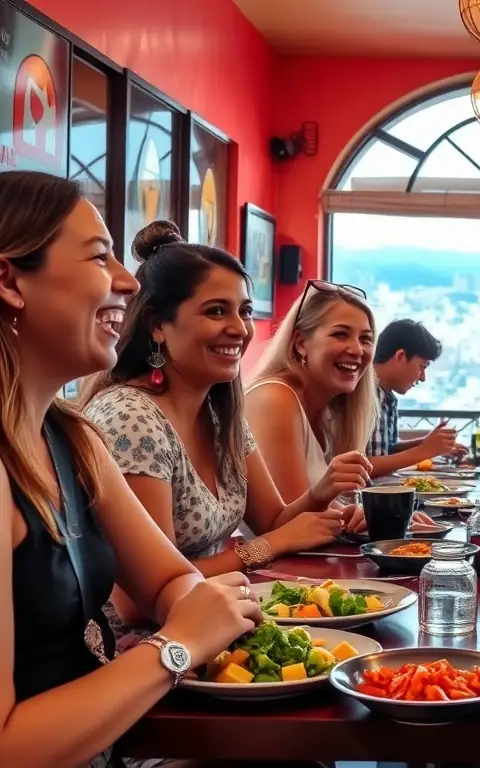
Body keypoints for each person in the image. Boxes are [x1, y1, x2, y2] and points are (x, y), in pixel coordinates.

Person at [0, 171, 261, 766]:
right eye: (100, 257)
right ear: (9, 280)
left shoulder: (72, 436)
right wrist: (176, 646)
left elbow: (169, 581)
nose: (124, 281)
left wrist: (196, 608)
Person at [79, 223, 363, 641]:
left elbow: (272, 520)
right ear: (158, 324)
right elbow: (138, 602)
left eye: (244, 311)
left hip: (214, 624)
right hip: (142, 646)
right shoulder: (131, 418)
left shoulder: (219, 412)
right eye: (216, 311)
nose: (241, 328)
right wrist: (268, 548)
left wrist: (321, 497)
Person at [244, 283, 432, 530]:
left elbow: (326, 509)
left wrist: (388, 517)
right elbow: (289, 525)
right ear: (301, 342)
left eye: (365, 339)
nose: (357, 349)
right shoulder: (275, 397)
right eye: (340, 334)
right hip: (267, 565)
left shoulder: (333, 408)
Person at [366, 318, 463, 478]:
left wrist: (428, 443)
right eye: (422, 367)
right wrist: (424, 450)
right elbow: (364, 467)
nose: (423, 377)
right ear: (400, 356)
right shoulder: (363, 395)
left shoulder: (388, 398)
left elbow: (385, 451)